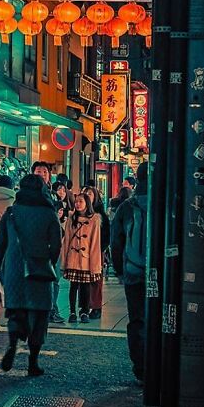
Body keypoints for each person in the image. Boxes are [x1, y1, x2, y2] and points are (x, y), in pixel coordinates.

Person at [0, 174, 62, 377]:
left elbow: (1, 243)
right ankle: (33, 361)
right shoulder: (49, 214)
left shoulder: (11, 213)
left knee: (17, 310)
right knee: (39, 315)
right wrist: (49, 261)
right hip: (39, 269)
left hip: (14, 269)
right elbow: (56, 245)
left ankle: (13, 343)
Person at [111, 161, 149, 383]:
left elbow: (116, 241)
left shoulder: (127, 206)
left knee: (137, 319)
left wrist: (119, 270)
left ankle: (141, 366)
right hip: (162, 275)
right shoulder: (166, 201)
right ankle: (160, 362)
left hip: (134, 273)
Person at [62, 191, 102, 323]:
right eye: (76, 201)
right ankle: (72, 312)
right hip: (73, 258)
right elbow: (66, 240)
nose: (78, 204)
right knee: (73, 286)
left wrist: (95, 265)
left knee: (85, 287)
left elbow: (95, 243)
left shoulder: (94, 220)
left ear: (87, 203)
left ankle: (84, 311)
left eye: (81, 201)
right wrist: (64, 260)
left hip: (86, 259)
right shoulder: (71, 218)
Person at [32, 162, 65, 323]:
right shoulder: (27, 194)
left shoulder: (53, 195)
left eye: (45, 171)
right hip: (36, 243)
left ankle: (52, 308)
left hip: (53, 241)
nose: (42, 174)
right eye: (39, 171)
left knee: (55, 277)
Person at [83, 185, 110, 319]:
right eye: (85, 193)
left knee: (95, 280)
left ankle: (96, 306)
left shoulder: (101, 216)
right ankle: (84, 306)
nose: (87, 195)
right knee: (82, 280)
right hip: (82, 252)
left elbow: (106, 235)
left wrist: (101, 249)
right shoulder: (79, 214)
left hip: (96, 251)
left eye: (90, 193)